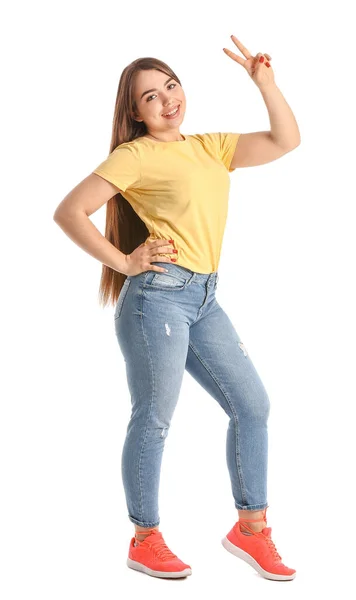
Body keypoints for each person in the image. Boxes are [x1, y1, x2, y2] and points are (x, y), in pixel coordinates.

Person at [53, 44, 300, 581]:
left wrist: (265, 83)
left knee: (252, 404)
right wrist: (124, 261)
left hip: (205, 298)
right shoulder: (135, 155)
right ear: (135, 112)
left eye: (170, 85)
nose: (167, 99)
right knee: (156, 417)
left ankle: (251, 529)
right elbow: (69, 211)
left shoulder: (210, 146)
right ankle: (145, 538)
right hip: (157, 299)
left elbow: (286, 141)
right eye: (150, 96)